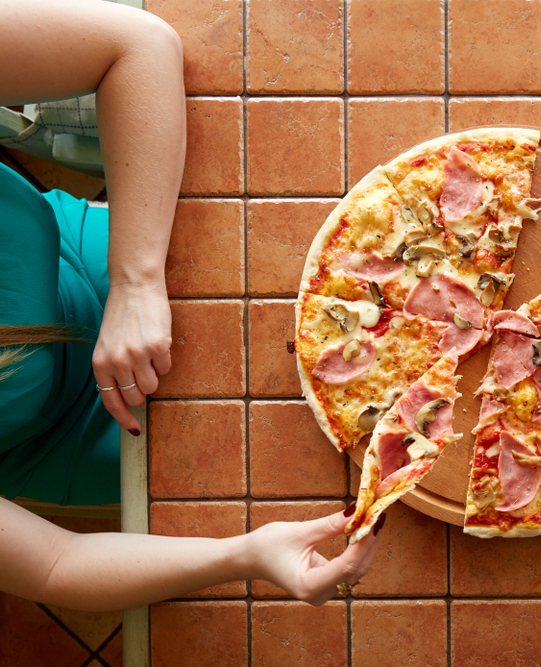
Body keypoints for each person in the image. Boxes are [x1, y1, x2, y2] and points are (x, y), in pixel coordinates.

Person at [0, 0, 378, 611]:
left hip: (148, 246)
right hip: (110, 442)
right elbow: (55, 566)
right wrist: (246, 555)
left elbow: (136, 43)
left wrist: (137, 280)